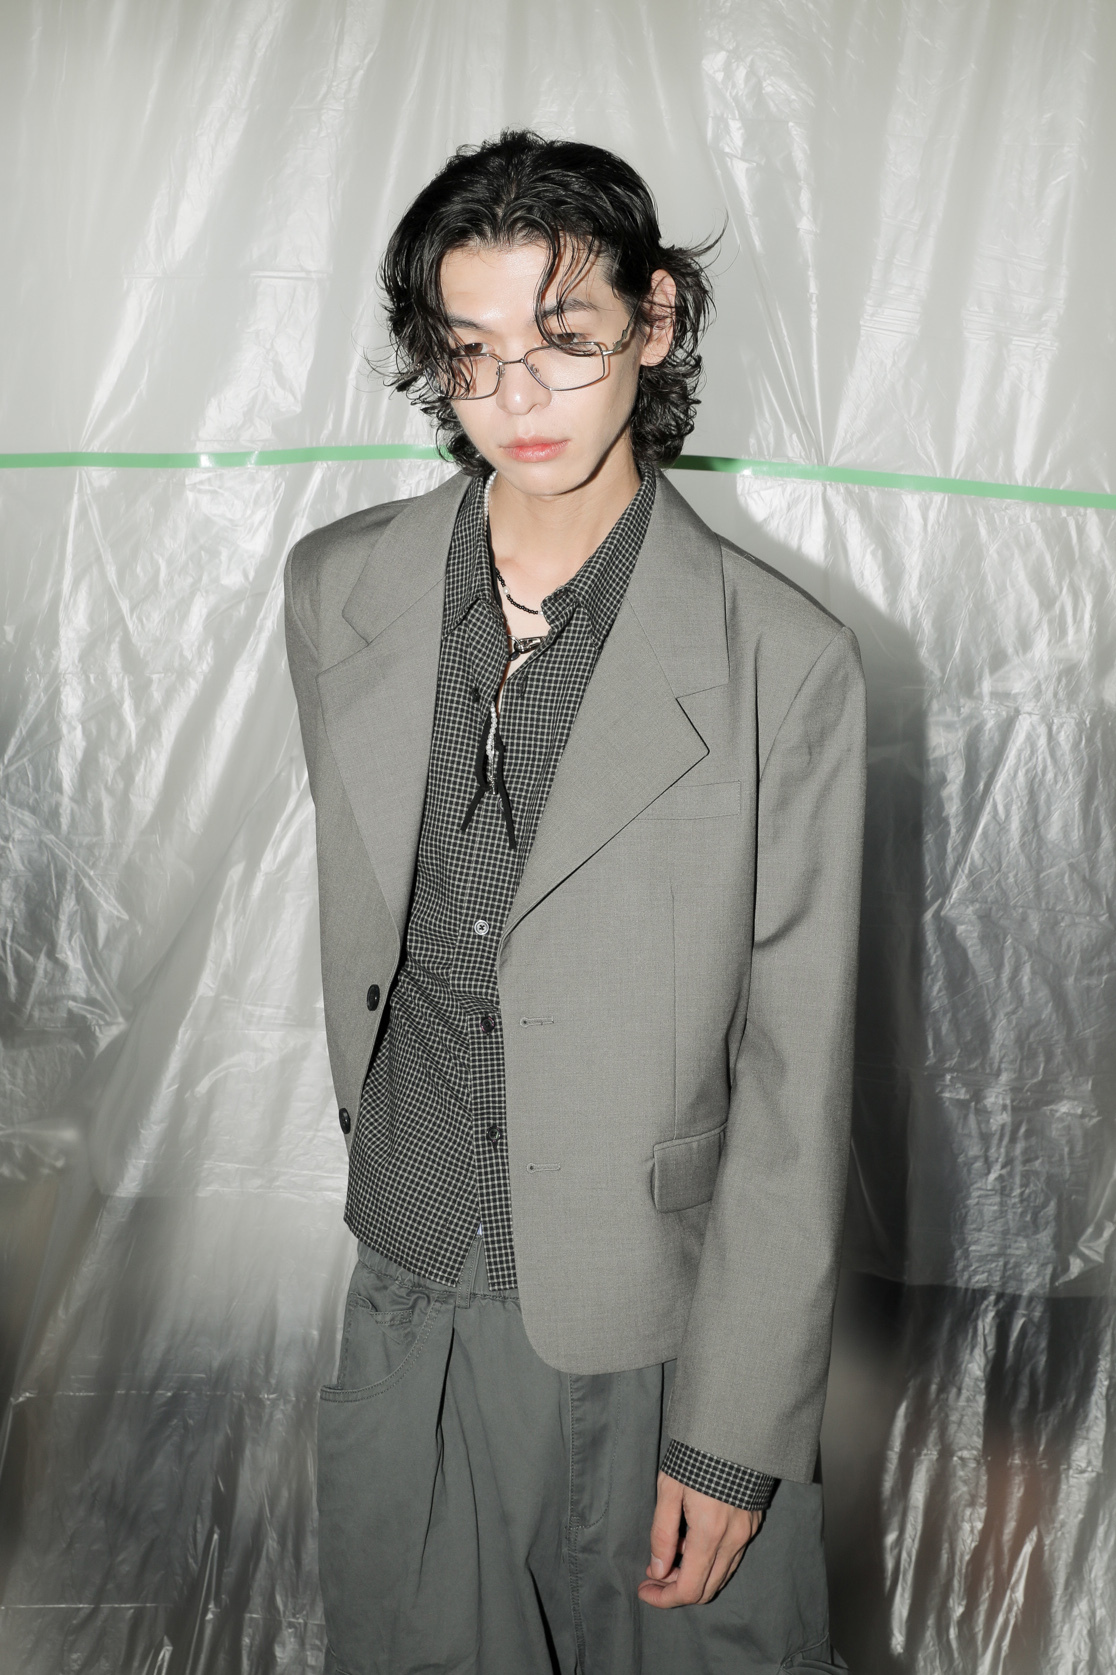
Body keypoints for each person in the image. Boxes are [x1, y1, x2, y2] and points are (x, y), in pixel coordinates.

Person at [284, 129, 865, 1675]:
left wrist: (737, 1431)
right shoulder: (336, 589)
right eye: (470, 353)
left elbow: (797, 1081)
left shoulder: (783, 663)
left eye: (563, 340)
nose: (515, 398)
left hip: (657, 1328)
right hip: (411, 1292)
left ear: (655, 320)